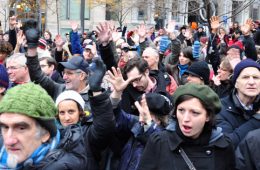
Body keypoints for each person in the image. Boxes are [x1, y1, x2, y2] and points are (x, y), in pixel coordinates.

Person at [0, 57, 115, 169]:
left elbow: (104, 127)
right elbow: (39, 76)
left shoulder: (87, 132)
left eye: (71, 111)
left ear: (80, 113)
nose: (67, 117)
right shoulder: (47, 137)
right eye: (5, 127)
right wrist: (32, 49)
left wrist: (97, 92)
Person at [138, 83, 235, 170]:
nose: (185, 119)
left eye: (195, 113)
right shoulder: (159, 142)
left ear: (208, 116)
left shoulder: (223, 145)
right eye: (181, 110)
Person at [216, 59, 260, 148]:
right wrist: (257, 119)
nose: (251, 82)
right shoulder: (220, 108)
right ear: (236, 83)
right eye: (245, 77)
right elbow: (227, 144)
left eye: (256, 77)